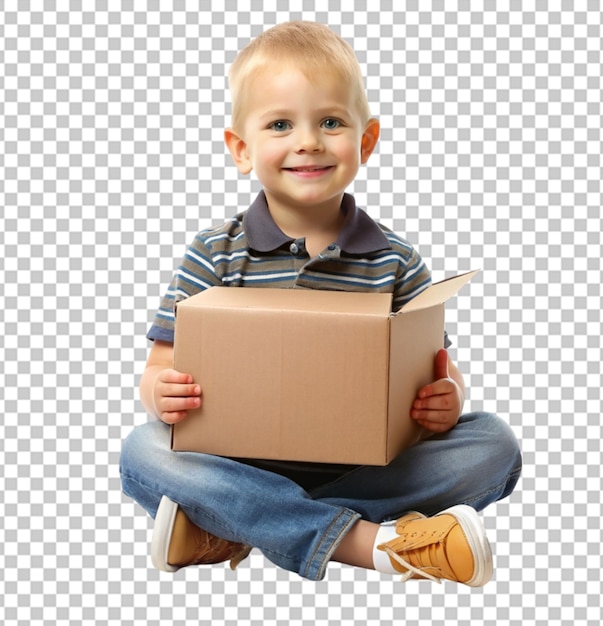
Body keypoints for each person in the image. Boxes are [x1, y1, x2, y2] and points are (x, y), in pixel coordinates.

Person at [120, 21, 521, 585]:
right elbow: (161, 364)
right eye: (280, 124)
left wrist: (448, 400)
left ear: (366, 141)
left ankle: (237, 524)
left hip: (363, 467)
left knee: (493, 444)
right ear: (241, 148)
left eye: (330, 122)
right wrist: (159, 391)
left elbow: (438, 370)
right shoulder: (215, 252)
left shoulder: (395, 260)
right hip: (237, 462)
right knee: (144, 451)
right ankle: (374, 545)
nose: (308, 140)